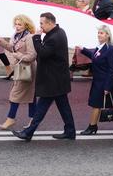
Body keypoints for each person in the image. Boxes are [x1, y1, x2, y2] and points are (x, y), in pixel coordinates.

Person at [11, 13, 76, 141]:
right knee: (64, 107)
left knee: (41, 108)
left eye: (42, 23)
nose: (40, 26)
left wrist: (36, 38)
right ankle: (70, 131)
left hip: (52, 80)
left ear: (50, 23)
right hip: (57, 79)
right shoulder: (58, 32)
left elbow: (43, 52)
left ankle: (28, 132)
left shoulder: (54, 37)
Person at [78, 25, 113, 135]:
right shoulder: (100, 47)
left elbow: (111, 69)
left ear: (108, 35)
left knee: (96, 104)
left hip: (104, 82)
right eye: (99, 33)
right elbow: (95, 57)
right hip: (98, 81)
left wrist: (107, 86)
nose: (99, 35)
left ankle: (92, 127)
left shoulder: (111, 50)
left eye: (102, 33)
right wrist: (83, 50)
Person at [0, 14, 38, 130]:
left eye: (20, 24)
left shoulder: (29, 37)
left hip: (27, 68)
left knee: (16, 94)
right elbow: (13, 48)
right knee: (31, 96)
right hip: (21, 68)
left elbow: (32, 56)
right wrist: (2, 42)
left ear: (26, 25)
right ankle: (33, 120)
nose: (17, 26)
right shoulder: (16, 36)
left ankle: (11, 118)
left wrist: (17, 55)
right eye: (16, 24)